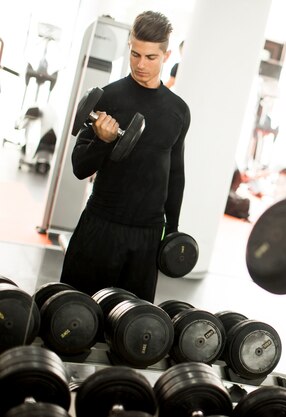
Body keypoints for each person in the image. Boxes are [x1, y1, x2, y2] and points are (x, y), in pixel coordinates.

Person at [60, 11, 191, 303]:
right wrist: (102, 142)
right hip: (101, 224)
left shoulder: (178, 111)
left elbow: (176, 173)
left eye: (150, 57)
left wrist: (173, 229)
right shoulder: (106, 98)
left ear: (166, 55)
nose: (141, 64)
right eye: (135, 54)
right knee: (72, 317)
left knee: (132, 332)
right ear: (129, 47)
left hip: (147, 235)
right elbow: (80, 167)